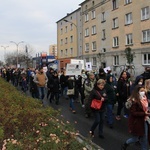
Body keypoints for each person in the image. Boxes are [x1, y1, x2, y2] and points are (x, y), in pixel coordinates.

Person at [121, 85, 150, 150]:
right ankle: (126, 143)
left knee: (144, 136)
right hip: (137, 122)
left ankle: (144, 148)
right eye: (141, 91)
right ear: (137, 92)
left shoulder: (145, 98)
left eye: (143, 90)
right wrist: (144, 113)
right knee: (136, 138)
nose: (143, 92)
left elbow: (145, 108)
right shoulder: (134, 101)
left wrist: (147, 111)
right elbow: (133, 113)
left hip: (144, 120)